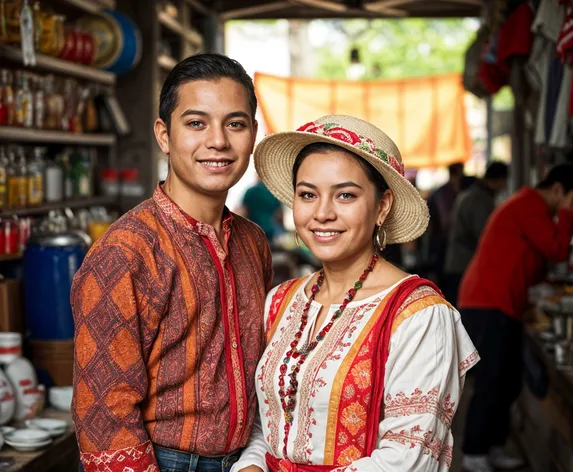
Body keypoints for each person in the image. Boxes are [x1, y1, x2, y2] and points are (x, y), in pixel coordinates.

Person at [232, 115, 479, 472]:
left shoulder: (419, 315)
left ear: (382, 206)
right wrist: (251, 465)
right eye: (307, 195)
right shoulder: (281, 302)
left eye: (345, 195)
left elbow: (409, 458)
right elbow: (265, 421)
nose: (322, 213)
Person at [70, 54, 274, 471]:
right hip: (163, 462)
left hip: (247, 460)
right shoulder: (125, 252)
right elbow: (106, 415)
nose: (218, 141)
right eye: (196, 123)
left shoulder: (253, 242)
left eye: (235, 124)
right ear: (164, 135)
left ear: (253, 134)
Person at [458, 164, 573, 472]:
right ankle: (473, 453)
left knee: (507, 382)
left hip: (499, 303)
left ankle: (492, 446)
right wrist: (567, 213)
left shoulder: (528, 208)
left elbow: (536, 262)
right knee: (492, 381)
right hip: (489, 303)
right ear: (560, 190)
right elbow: (557, 249)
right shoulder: (529, 205)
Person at [443, 161, 509, 305]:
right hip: (464, 264)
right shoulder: (479, 198)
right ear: (499, 179)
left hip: (457, 262)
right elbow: (482, 234)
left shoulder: (471, 194)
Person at [421, 162, 465, 285]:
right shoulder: (445, 194)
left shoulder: (442, 192)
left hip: (438, 243)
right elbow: (446, 220)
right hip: (440, 244)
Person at [241, 177, 284, 243]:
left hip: (253, 231)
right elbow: (279, 215)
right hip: (270, 231)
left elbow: (243, 212)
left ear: (258, 176)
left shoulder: (250, 191)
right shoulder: (273, 192)